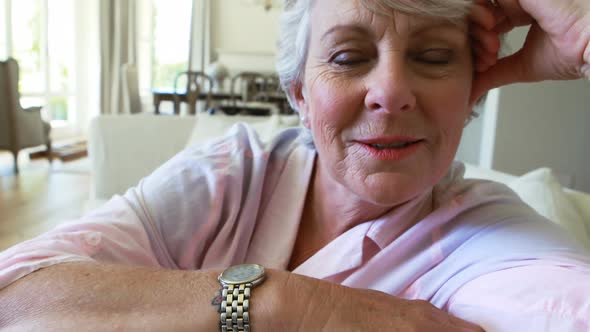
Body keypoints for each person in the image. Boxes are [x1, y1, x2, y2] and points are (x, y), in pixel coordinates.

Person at [1, 0, 589, 330]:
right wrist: (284, 302)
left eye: (433, 57)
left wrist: (586, 34)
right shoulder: (235, 173)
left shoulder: (488, 235)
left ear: (471, 93)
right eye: (348, 57)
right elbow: (13, 294)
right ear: (300, 96)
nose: (391, 91)